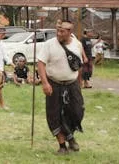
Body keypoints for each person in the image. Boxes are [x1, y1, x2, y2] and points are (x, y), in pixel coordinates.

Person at [37, 19, 86, 154]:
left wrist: (80, 82)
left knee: (77, 112)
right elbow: (41, 63)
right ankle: (62, 146)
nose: (59, 34)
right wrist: (45, 83)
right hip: (54, 84)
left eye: (62, 31)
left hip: (72, 84)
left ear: (70, 32)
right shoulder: (49, 45)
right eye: (57, 31)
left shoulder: (77, 45)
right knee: (54, 115)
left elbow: (79, 65)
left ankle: (70, 136)